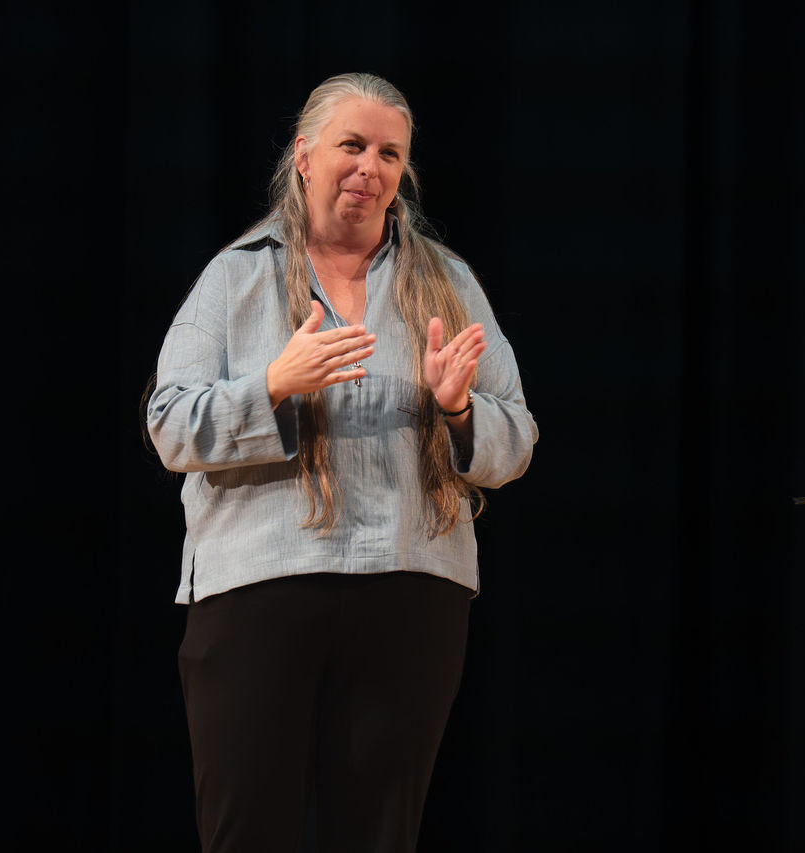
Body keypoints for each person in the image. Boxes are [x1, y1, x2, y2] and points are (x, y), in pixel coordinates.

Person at [146, 72, 537, 852]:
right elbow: (169, 425)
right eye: (351, 145)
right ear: (304, 155)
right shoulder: (237, 276)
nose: (370, 166)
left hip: (411, 589)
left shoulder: (449, 284)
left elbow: (517, 437)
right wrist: (274, 385)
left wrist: (458, 410)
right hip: (259, 588)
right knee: (246, 830)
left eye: (390, 153)